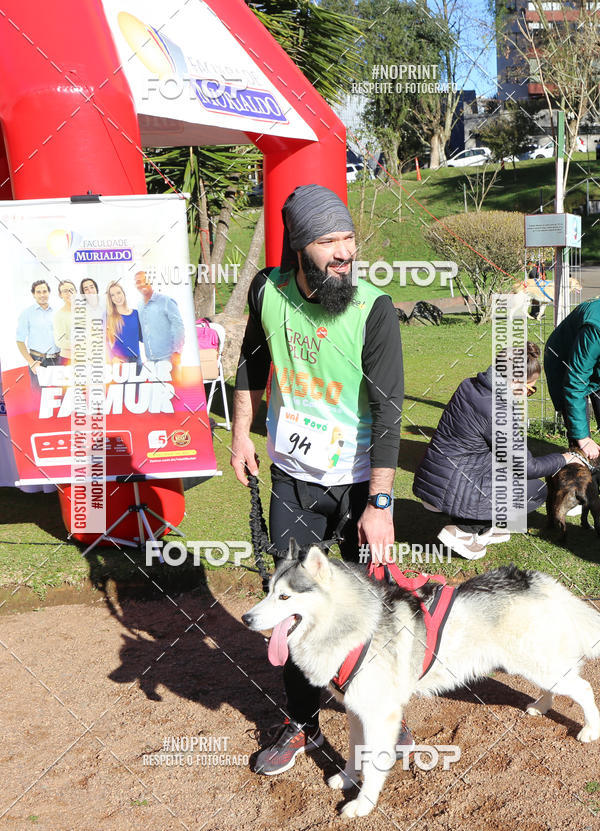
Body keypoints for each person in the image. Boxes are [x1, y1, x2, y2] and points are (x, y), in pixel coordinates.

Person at [232, 183, 405, 775]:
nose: (344, 252)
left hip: (360, 484)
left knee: (374, 605)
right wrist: (239, 435)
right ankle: (302, 724)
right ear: (299, 247)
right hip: (295, 480)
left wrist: (379, 503)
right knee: (291, 606)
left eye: (348, 238)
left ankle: (384, 712)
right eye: (329, 241)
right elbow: (252, 360)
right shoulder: (268, 292)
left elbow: (389, 410)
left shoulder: (373, 309)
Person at [413, 342, 582, 559]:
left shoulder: (469, 385)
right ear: (514, 382)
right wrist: (564, 458)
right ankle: (463, 531)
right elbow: (527, 467)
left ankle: (485, 528)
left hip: (435, 476)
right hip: (453, 484)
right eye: (530, 388)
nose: (528, 394)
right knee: (534, 491)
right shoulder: (498, 411)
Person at [544, 298, 600, 460]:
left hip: (595, 365)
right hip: (564, 361)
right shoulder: (596, 327)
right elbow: (575, 382)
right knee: (582, 446)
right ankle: (581, 472)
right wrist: (582, 437)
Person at [16, 280, 60, 388]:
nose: (42, 295)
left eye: (44, 291)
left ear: (49, 293)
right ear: (33, 294)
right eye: (38, 292)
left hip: (58, 360)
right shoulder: (27, 313)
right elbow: (20, 340)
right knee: (39, 398)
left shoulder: (57, 312)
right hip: (38, 361)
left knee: (59, 396)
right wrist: (31, 362)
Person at [135, 270, 184, 364]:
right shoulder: (139, 305)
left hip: (168, 358)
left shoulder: (166, 301)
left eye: (145, 280)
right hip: (150, 359)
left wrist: (177, 352)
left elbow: (178, 326)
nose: (142, 284)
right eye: (138, 282)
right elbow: (144, 332)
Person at [106, 281, 142, 363]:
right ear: (110, 299)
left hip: (137, 359)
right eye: (112, 295)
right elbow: (104, 341)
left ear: (123, 293)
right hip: (119, 359)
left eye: (119, 293)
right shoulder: (109, 316)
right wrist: (112, 358)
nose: (117, 297)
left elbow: (142, 337)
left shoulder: (136, 313)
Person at [53, 279, 76, 364]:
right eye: (65, 291)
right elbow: (60, 341)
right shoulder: (59, 315)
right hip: (68, 360)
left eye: (71, 290)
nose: (69, 293)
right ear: (60, 295)